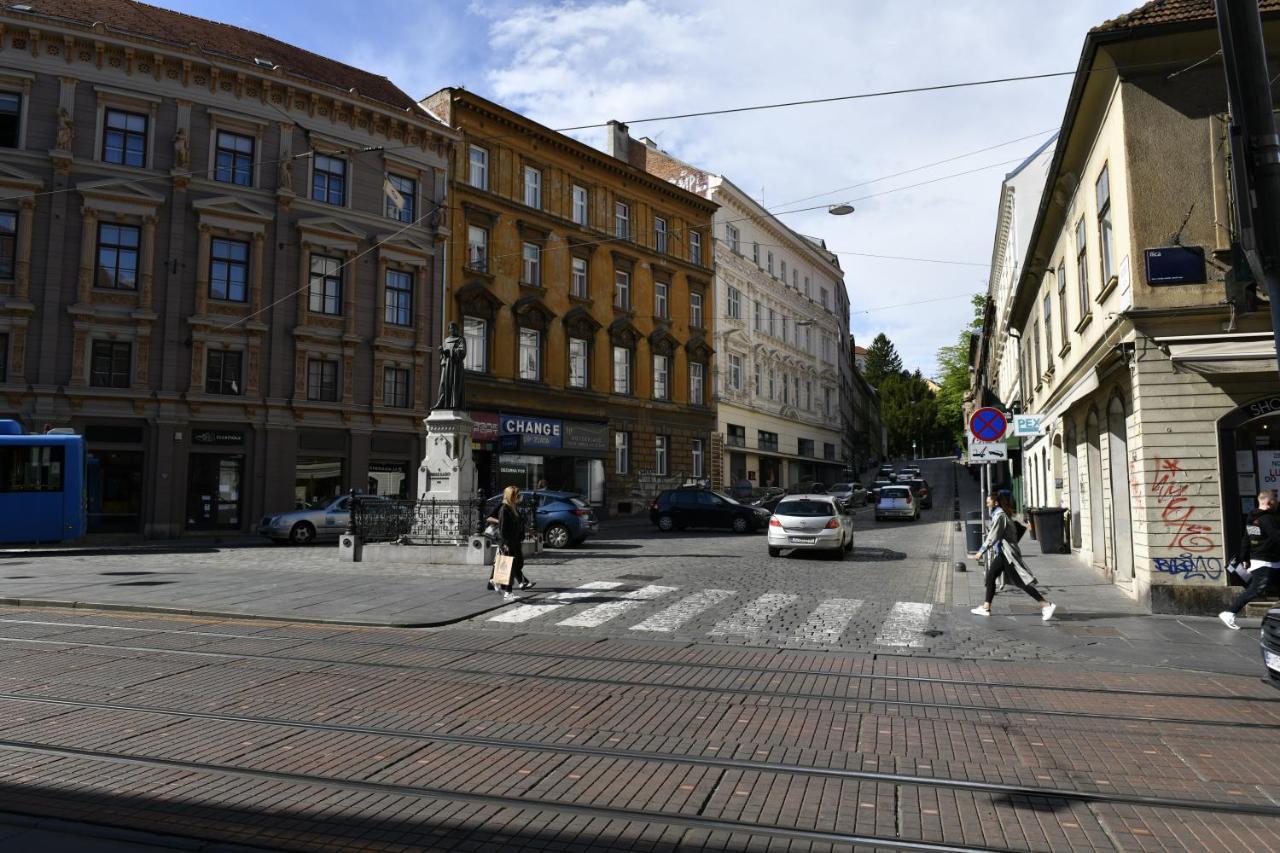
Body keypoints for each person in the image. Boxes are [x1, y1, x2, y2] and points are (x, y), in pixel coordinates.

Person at [969, 493, 1057, 621]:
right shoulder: (998, 514)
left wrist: (981, 551)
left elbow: (993, 536)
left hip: (1007, 554)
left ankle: (1046, 605)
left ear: (996, 503)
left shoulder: (1000, 516)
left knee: (1019, 582)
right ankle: (986, 607)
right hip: (1003, 553)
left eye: (988, 502)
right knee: (991, 576)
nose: (986, 504)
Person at [1219, 489, 1280, 630]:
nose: (1278, 504)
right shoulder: (1267, 519)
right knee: (1256, 589)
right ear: (1270, 503)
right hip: (1266, 561)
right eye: (1276, 501)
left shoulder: (1253, 519)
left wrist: (1245, 558)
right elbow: (1277, 537)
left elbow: (1247, 539)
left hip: (1266, 560)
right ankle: (1230, 612)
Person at [489, 485, 533, 599]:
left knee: (517, 564)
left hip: (515, 541)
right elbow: (503, 529)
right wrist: (505, 544)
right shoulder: (504, 509)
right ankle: (508, 592)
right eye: (518, 495)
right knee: (510, 566)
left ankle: (496, 581)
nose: (520, 497)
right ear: (511, 496)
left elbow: (518, 524)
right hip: (509, 542)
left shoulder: (513, 507)